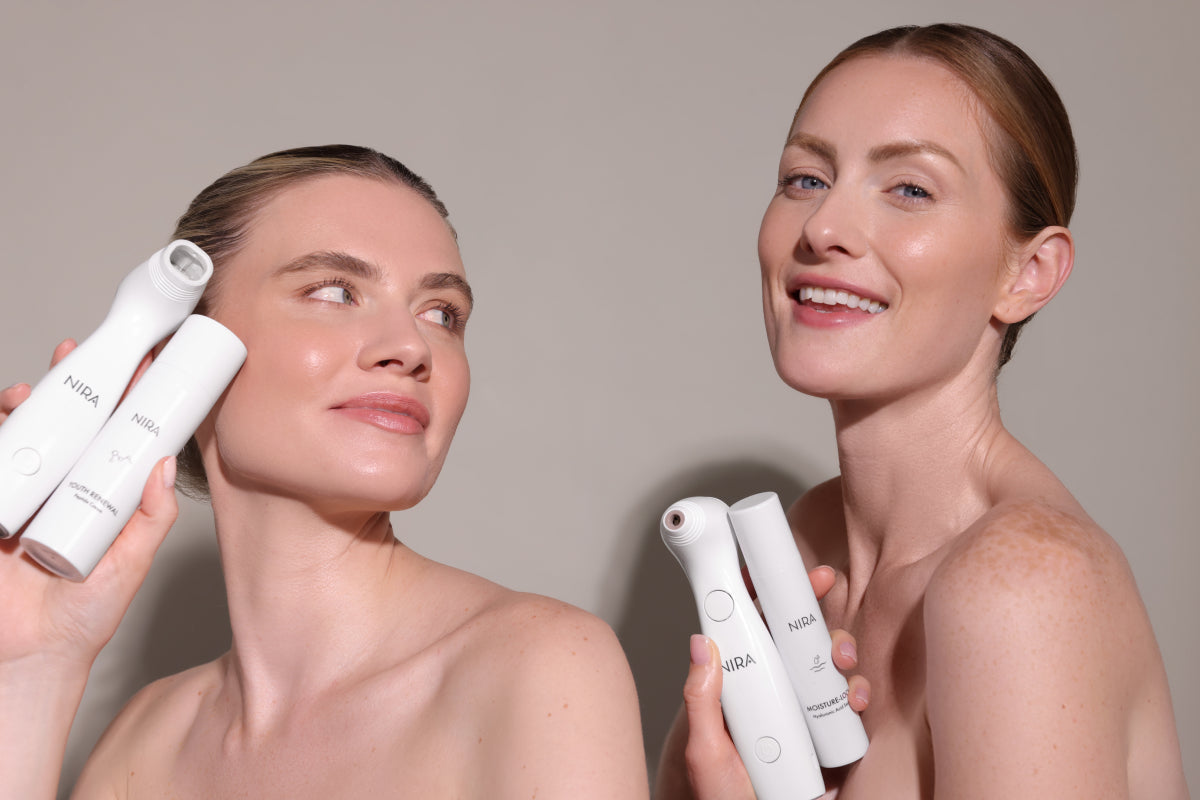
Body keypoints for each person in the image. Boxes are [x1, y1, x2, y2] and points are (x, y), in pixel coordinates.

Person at [0, 145, 650, 799]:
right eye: (336, 292)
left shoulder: (538, 668)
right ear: (179, 356)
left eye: (441, 313)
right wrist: (35, 664)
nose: (411, 347)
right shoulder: (145, 743)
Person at [654, 24, 1188, 799]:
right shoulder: (806, 543)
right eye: (805, 178)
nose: (823, 229)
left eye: (910, 190)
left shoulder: (1022, 584)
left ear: (1029, 273)